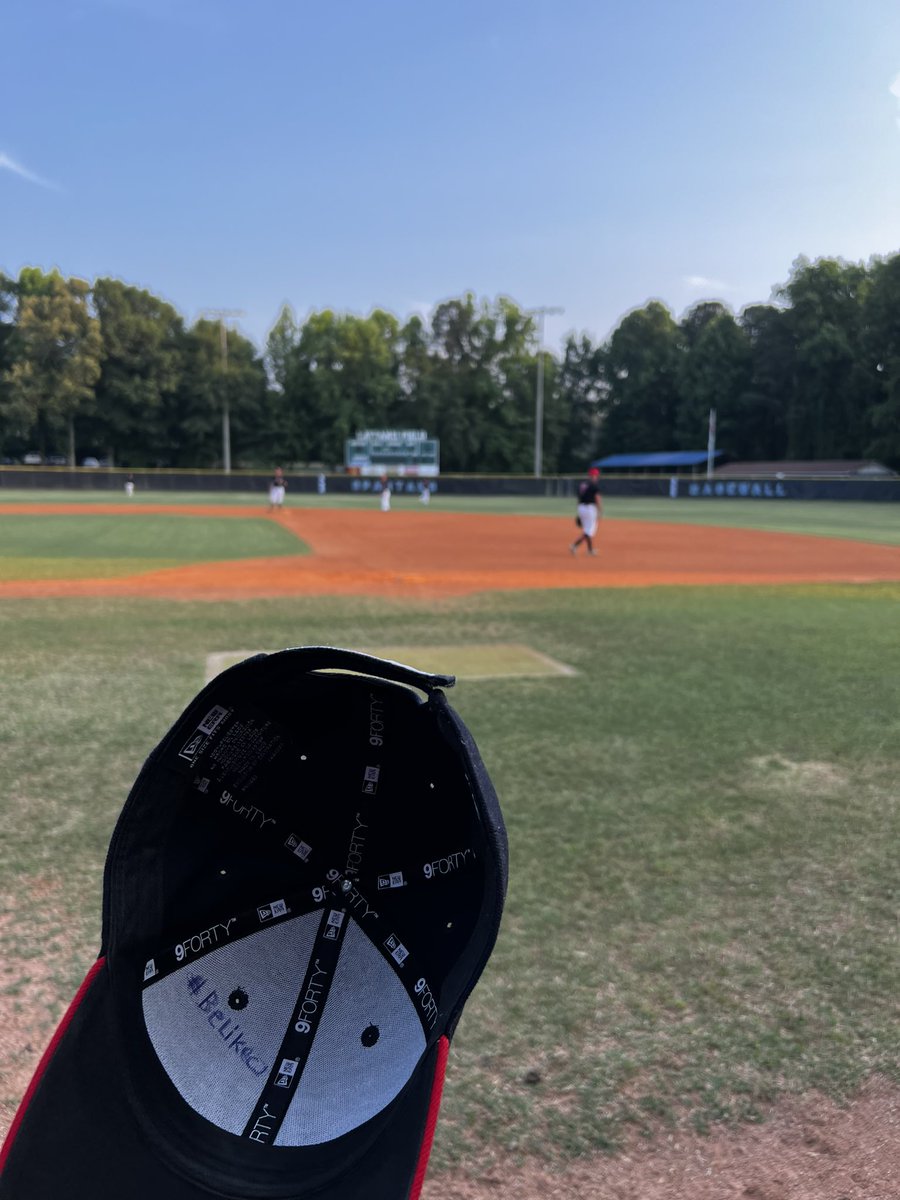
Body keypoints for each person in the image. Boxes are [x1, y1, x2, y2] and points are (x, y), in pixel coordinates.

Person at [570, 466, 602, 556]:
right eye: (597, 476)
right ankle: (574, 545)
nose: (597, 477)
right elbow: (597, 499)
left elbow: (578, 498)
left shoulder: (582, 485)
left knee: (587, 530)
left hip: (581, 507)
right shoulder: (594, 485)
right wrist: (600, 511)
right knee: (589, 531)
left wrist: (579, 512)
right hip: (590, 509)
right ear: (594, 476)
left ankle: (590, 550)